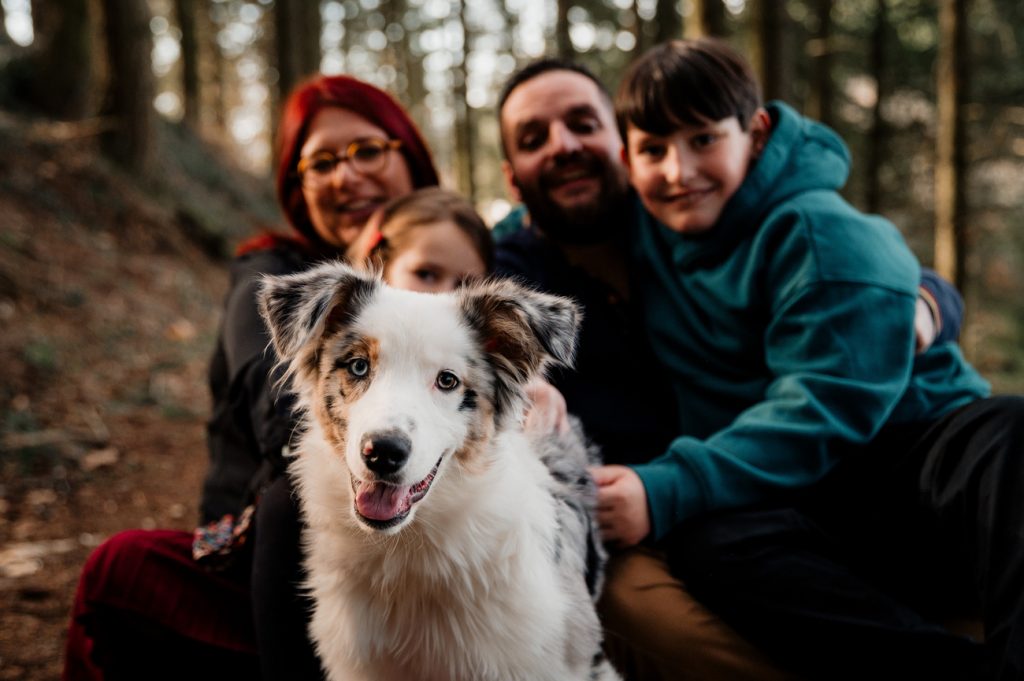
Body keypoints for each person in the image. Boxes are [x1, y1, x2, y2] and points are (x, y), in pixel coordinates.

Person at [493, 57, 970, 680]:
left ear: (620, 144)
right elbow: (449, 304)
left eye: (583, 123)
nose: (563, 146)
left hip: (764, 474)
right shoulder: (509, 273)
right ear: (512, 178)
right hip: (654, 509)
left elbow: (855, 262)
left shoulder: (672, 210)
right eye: (534, 139)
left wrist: (930, 300)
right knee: (677, 597)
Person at [609, 38, 1023, 680]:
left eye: (702, 139)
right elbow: (523, 231)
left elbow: (823, 408)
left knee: (1009, 435)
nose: (677, 170)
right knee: (709, 545)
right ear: (626, 157)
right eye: (653, 150)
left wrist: (665, 484)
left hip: (914, 455)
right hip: (807, 496)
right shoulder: (640, 225)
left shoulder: (821, 231)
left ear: (756, 131)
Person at [63, 74, 442, 681]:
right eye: (320, 163)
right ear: (298, 187)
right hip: (274, 569)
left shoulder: (461, 273)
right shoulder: (271, 274)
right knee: (127, 568)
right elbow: (281, 417)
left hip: (433, 570)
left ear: (411, 153)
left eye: (368, 150)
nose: (346, 176)